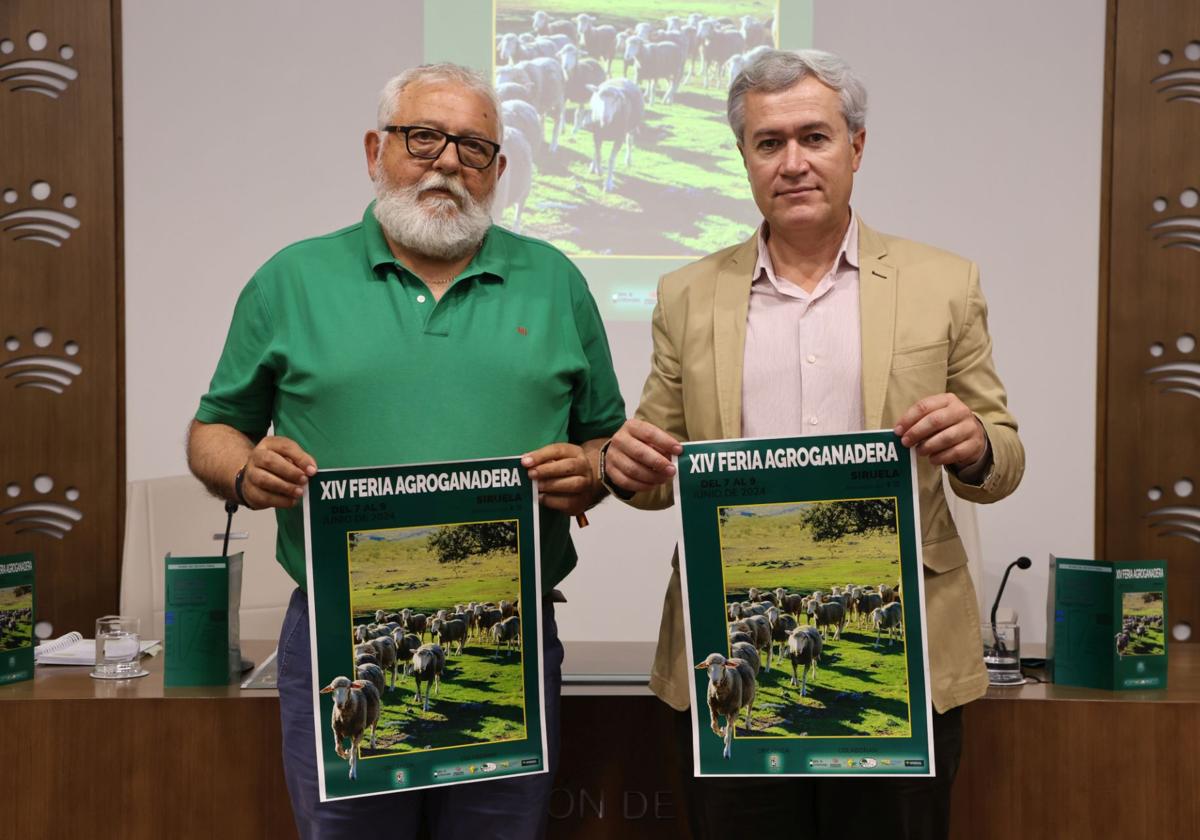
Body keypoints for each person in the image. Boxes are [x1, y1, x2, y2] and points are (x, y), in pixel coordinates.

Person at [186, 63, 624, 839]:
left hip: (504, 634)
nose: (448, 162)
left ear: (499, 169)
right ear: (374, 149)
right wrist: (248, 469)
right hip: (334, 638)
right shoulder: (292, 279)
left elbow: (604, 439)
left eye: (475, 147)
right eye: (423, 137)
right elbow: (213, 430)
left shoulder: (555, 281)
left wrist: (589, 471)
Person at [598, 49, 1024, 839]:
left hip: (903, 656)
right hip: (733, 644)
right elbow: (657, 470)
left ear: (855, 147)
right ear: (744, 158)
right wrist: (625, 468)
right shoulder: (686, 294)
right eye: (768, 143)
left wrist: (973, 445)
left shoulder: (943, 282)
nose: (792, 162)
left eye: (814, 138)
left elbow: (1000, 457)